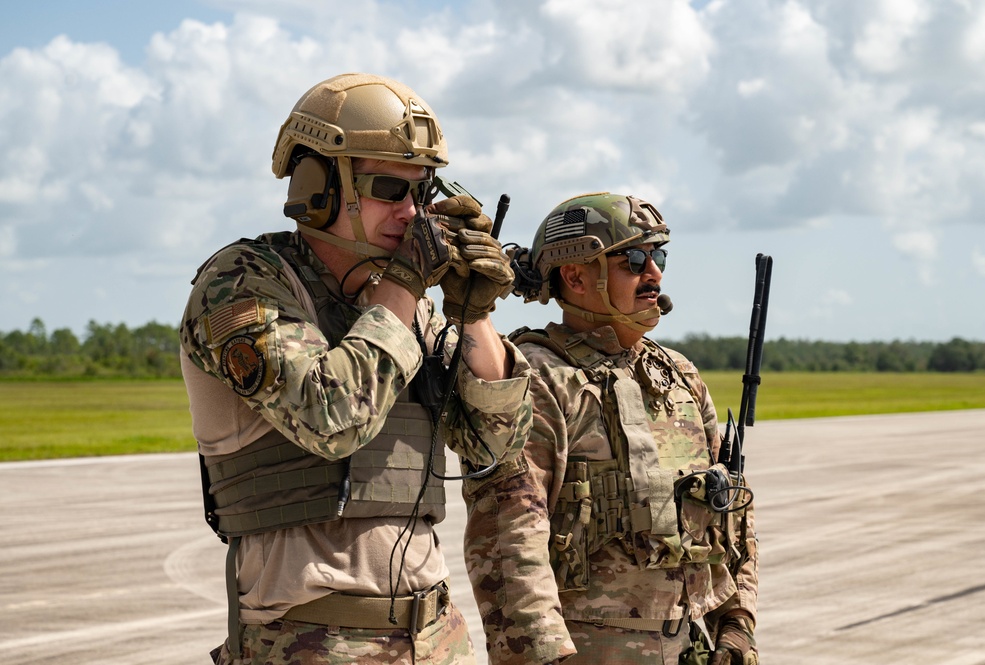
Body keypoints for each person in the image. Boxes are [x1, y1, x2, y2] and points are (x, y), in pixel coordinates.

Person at [179, 73, 531, 665]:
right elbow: (331, 416)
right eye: (390, 188)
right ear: (319, 187)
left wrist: (473, 312)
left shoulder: (403, 300)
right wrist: (407, 285)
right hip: (309, 640)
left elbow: (492, 447)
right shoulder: (244, 283)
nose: (413, 211)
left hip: (435, 636)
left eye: (424, 190)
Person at [462, 193, 759, 665]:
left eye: (658, 256)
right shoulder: (538, 380)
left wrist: (736, 625)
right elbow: (508, 542)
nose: (654, 274)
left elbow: (726, 517)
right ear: (576, 276)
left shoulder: (679, 375)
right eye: (634, 259)